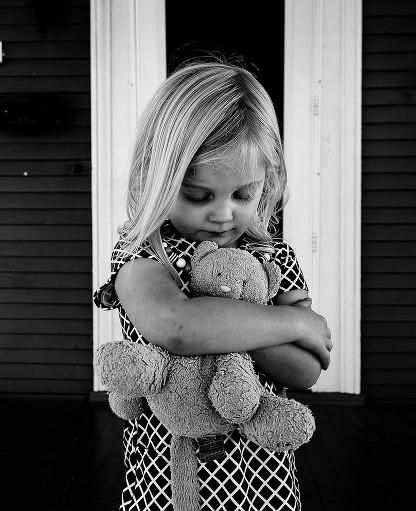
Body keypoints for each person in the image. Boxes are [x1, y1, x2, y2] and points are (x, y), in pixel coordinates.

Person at [93, 61, 332, 511]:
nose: (223, 214)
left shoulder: (274, 258)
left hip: (264, 484)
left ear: (268, 181)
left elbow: (306, 371)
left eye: (244, 194)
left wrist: (226, 326)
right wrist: (291, 323)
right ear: (156, 176)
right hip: (170, 482)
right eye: (199, 196)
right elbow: (175, 325)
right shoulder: (143, 252)